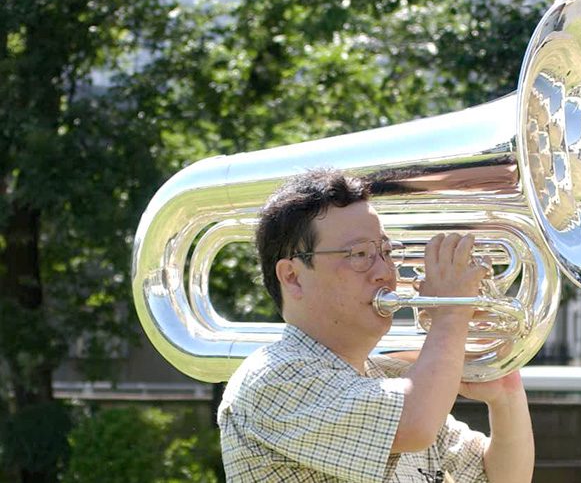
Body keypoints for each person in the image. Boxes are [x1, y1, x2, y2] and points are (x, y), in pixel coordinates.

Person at [217, 168, 534, 483]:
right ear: (293, 277)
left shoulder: (393, 382)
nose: (384, 271)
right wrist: (452, 312)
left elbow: (504, 478)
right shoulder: (273, 377)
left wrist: (506, 390)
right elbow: (415, 424)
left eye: (385, 251)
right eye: (359, 254)